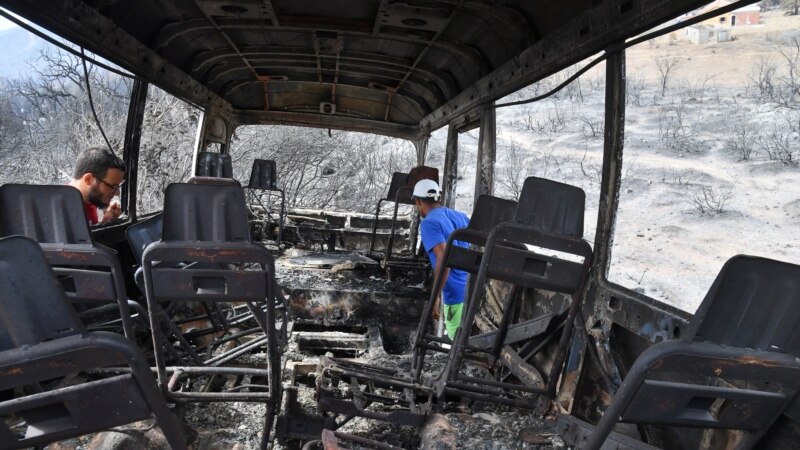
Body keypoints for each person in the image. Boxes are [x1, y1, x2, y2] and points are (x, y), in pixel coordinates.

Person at [413, 179, 470, 341]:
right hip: (472, 289)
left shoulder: (429, 223)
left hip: (455, 296)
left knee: (457, 344)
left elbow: (444, 259)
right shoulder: (459, 216)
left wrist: (435, 297)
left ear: (418, 201)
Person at [67, 146, 125, 225]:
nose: (117, 193)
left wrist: (105, 222)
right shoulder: (61, 212)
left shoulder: (89, 198)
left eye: (118, 186)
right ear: (88, 179)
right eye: (112, 186)